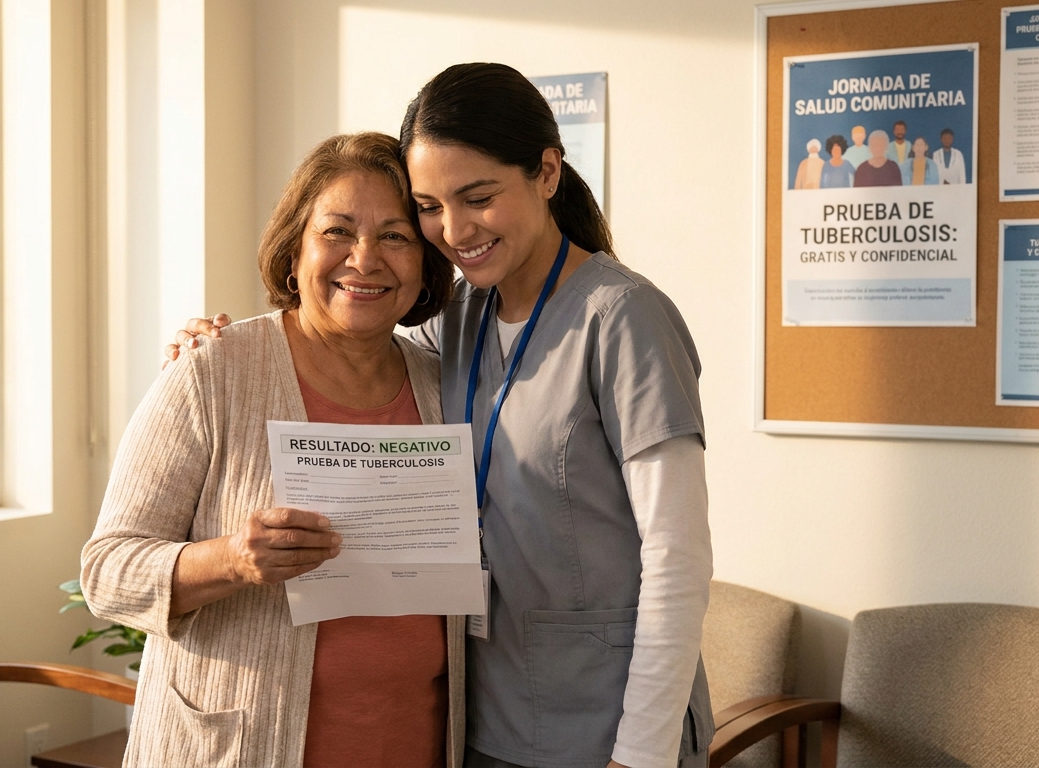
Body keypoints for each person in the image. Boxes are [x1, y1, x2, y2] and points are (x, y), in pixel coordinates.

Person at [171, 63, 713, 768]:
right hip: (480, 720)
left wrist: (641, 753)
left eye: (477, 197)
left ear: (548, 172)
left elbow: (678, 556)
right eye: (428, 205)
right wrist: (212, 343)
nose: (454, 230)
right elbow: (350, 339)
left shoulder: (625, 319)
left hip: (605, 726)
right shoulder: (459, 320)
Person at [84, 132, 462, 768]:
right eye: (337, 231)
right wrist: (233, 559)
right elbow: (107, 572)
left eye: (395, 236)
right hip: (238, 749)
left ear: (425, 264)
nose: (364, 259)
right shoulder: (213, 371)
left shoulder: (445, 388)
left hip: (412, 743)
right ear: (294, 253)